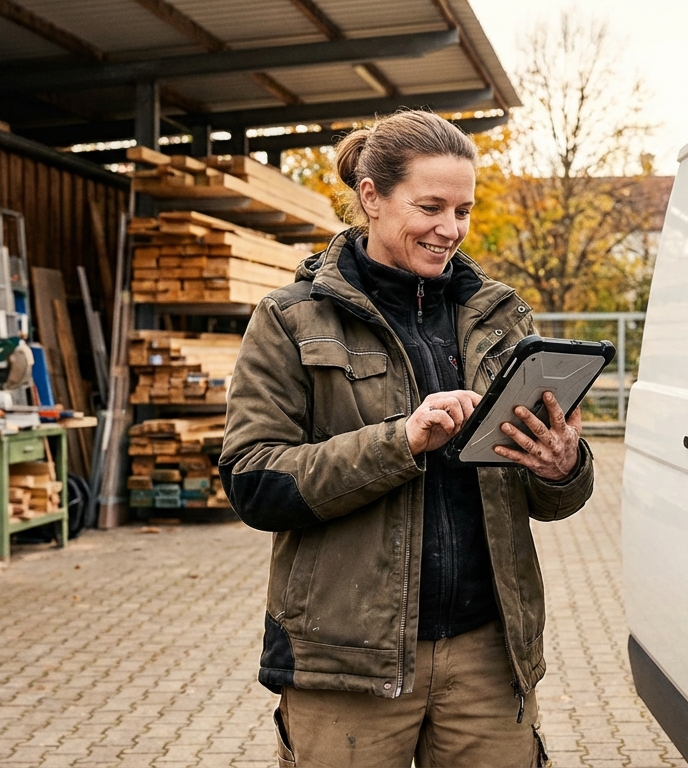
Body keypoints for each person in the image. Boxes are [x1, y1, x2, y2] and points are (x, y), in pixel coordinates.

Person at [219, 110, 595, 767]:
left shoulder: (500, 317)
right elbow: (254, 482)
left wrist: (562, 466)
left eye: (463, 210)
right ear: (371, 197)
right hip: (347, 662)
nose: (450, 228)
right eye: (430, 207)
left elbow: (549, 500)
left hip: (487, 654)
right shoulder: (291, 319)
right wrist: (401, 441)